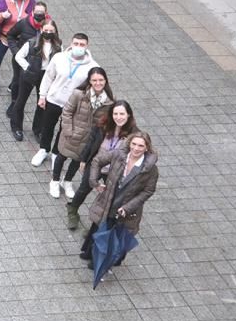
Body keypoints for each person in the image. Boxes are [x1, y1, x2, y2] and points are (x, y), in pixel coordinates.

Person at [79, 131, 158, 268]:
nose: (136, 148)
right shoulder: (119, 155)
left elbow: (148, 190)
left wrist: (128, 207)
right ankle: (91, 253)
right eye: (134, 144)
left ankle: (100, 262)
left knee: (114, 235)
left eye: (140, 146)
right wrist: (94, 180)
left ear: (146, 148)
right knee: (99, 227)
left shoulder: (150, 169)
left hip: (126, 208)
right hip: (108, 200)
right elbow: (97, 161)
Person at [67, 100, 137, 230]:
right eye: (115, 114)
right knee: (84, 188)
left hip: (114, 169)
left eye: (122, 114)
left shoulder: (134, 134)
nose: (118, 117)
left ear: (128, 115)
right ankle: (72, 210)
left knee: (107, 198)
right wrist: (83, 159)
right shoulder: (102, 125)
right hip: (96, 163)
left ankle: (96, 225)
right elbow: (91, 142)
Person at [32, 33, 99, 167]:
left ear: (87, 46)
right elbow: (48, 77)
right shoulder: (59, 57)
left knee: (64, 130)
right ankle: (43, 149)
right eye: (76, 44)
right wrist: (42, 95)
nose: (78, 47)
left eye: (82, 45)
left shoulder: (93, 66)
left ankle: (56, 153)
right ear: (71, 44)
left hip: (72, 105)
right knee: (47, 127)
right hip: (53, 100)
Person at [52, 67, 114, 199]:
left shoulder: (109, 101)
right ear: (89, 81)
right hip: (72, 135)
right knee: (61, 157)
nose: (98, 83)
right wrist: (69, 131)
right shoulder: (79, 94)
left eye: (101, 80)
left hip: (88, 140)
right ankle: (55, 181)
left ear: (105, 81)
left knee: (77, 161)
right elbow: (67, 112)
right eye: (94, 80)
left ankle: (67, 181)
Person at [9, 18, 60, 142]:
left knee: (41, 103)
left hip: (46, 76)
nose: (48, 32)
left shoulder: (58, 45)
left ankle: (38, 130)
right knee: (21, 100)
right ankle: (16, 127)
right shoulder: (31, 43)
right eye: (46, 30)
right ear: (41, 30)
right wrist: (28, 67)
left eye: (51, 30)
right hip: (30, 74)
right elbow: (19, 56)